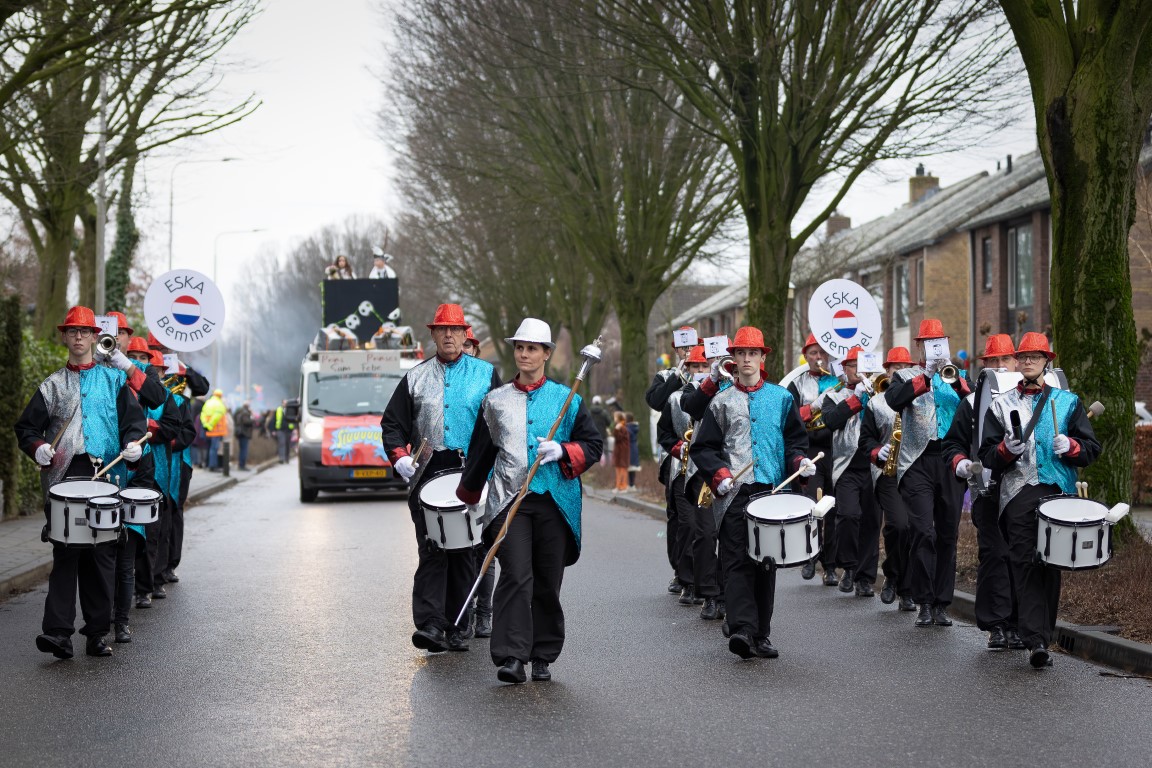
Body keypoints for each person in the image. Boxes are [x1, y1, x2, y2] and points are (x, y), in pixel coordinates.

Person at [456, 317, 603, 684]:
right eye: (519, 347)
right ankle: (512, 656)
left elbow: (593, 445)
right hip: (510, 501)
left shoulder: (569, 399)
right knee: (516, 574)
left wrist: (564, 450)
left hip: (555, 501)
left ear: (546, 354)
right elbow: (481, 453)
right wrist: (469, 495)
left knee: (546, 580)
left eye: (532, 348)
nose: (524, 354)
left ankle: (541, 654)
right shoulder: (495, 401)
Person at [14, 306, 147, 659]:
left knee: (101, 555)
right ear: (64, 337)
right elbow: (26, 428)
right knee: (66, 552)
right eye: (72, 331)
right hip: (64, 476)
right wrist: (38, 446)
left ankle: (97, 634)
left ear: (93, 337)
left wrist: (133, 444)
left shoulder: (115, 380)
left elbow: (133, 423)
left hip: (106, 474)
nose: (78, 337)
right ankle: (58, 633)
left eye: (84, 332)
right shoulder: (52, 385)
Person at [381, 303, 501, 654]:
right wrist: (400, 457)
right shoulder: (415, 377)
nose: (449, 335)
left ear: (465, 335)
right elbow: (392, 424)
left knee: (465, 553)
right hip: (427, 475)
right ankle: (431, 625)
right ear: (433, 334)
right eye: (442, 330)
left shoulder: (485, 374)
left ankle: (458, 626)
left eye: (455, 330)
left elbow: (500, 424)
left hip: (471, 474)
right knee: (432, 551)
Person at [980, 332, 1100, 668]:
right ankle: (1035, 641)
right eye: (1023, 356)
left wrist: (1072, 447)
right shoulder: (1000, 405)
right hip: (1018, 492)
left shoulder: (1068, 402)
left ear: (1047, 361)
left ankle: (1041, 635)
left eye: (1036, 356)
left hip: (1058, 492)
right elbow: (986, 455)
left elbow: (1092, 450)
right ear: (1017, 362)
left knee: (1050, 564)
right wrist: (1005, 450)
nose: (1029, 360)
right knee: (1024, 560)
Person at [691, 326, 811, 659]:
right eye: (741, 353)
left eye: (752, 353)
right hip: (734, 493)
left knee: (766, 563)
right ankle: (742, 629)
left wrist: (800, 462)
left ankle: (761, 634)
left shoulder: (782, 398)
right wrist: (719, 475)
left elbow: (795, 442)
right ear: (734, 358)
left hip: (772, 491)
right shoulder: (721, 402)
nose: (746, 359)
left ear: (762, 358)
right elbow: (703, 448)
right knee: (736, 560)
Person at [883, 319, 971, 628]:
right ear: (920, 346)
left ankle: (941, 603)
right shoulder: (905, 376)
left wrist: (953, 378)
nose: (934, 349)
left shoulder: (958, 375)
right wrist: (927, 376)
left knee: (947, 533)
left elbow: (974, 402)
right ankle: (922, 600)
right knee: (922, 531)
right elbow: (893, 400)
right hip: (916, 461)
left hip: (950, 459)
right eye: (928, 344)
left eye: (939, 344)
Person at [942, 334, 1024, 649]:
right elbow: (952, 444)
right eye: (993, 361)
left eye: (1005, 360)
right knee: (995, 553)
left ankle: (1018, 624)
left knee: (1021, 554)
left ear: (1016, 363)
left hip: (1024, 491)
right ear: (985, 365)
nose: (1000, 366)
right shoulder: (971, 402)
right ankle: (997, 625)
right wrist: (961, 463)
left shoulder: (1033, 398)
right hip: (988, 491)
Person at [656, 344, 722, 618]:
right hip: (683, 472)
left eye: (705, 366)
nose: (701, 370)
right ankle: (687, 580)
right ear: (689, 369)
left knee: (714, 532)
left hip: (715, 472)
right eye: (696, 366)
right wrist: (678, 448)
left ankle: (714, 589)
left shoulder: (723, 394)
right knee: (688, 525)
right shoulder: (675, 399)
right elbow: (664, 433)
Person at [815, 346, 880, 596]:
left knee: (871, 522)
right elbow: (831, 421)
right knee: (848, 516)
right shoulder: (833, 395)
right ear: (844, 369)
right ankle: (849, 568)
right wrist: (856, 399)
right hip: (846, 467)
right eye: (854, 365)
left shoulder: (879, 392)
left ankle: (865, 579)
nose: (859, 371)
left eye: (863, 366)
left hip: (874, 465)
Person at [858, 347, 916, 611]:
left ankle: (906, 588)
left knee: (915, 529)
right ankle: (892, 575)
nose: (899, 371)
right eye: (895, 367)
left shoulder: (921, 398)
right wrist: (876, 451)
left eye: (904, 367)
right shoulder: (876, 402)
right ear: (887, 370)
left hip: (916, 471)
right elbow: (865, 440)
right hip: (888, 472)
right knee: (898, 526)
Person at [789, 333, 842, 585]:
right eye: (813, 353)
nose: (818, 357)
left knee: (834, 508)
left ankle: (830, 566)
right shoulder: (797, 384)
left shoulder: (839, 381)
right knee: (812, 505)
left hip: (837, 449)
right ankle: (810, 556)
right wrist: (813, 407)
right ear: (806, 356)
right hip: (810, 450)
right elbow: (790, 418)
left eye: (822, 352)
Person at [201, 389, 228, 472]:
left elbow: (202, 414)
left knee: (210, 448)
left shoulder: (207, 402)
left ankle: (209, 464)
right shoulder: (220, 404)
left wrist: (206, 425)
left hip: (208, 430)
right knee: (214, 448)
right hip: (216, 430)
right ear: (220, 396)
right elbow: (217, 417)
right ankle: (213, 466)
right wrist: (210, 425)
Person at [612, 412, 630, 492]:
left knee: (622, 468)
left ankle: (623, 486)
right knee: (618, 468)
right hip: (620, 451)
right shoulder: (620, 426)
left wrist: (616, 430)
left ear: (618, 418)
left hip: (622, 451)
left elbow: (618, 438)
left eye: (615, 417)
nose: (614, 418)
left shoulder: (621, 427)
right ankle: (618, 486)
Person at [234, 401, 254, 470]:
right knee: (244, 450)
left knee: (242, 449)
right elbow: (246, 422)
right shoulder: (245, 413)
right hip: (244, 433)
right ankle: (242, 465)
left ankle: (241, 464)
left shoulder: (239, 412)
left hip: (240, 433)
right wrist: (252, 418)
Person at [625, 412, 640, 488]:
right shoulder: (634, 427)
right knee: (632, 467)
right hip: (634, 447)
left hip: (629, 447)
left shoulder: (627, 428)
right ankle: (632, 484)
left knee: (629, 466)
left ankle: (630, 484)